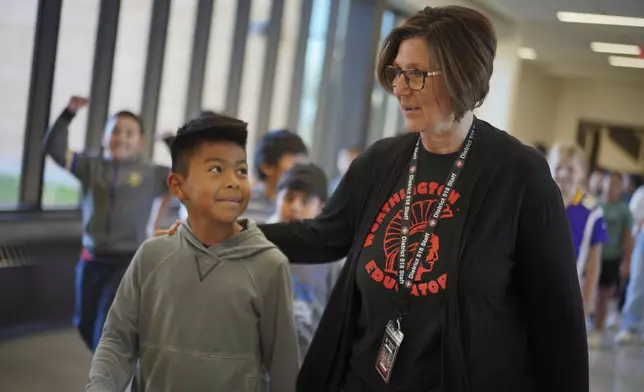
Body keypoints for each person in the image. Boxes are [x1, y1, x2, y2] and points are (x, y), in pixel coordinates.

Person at [159, 6, 588, 391]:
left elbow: (558, 321)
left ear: (462, 75)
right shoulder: (382, 161)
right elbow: (323, 235)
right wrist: (226, 234)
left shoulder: (519, 177)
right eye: (397, 73)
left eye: (416, 74)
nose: (400, 88)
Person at [87, 114, 299, 392]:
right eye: (215, 170)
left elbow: (283, 367)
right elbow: (117, 340)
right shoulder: (152, 256)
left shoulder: (269, 265)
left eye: (241, 170)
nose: (233, 181)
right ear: (178, 186)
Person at [43, 96, 171, 351]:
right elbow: (54, 148)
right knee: (84, 323)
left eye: (129, 133)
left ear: (140, 141)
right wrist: (68, 113)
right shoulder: (90, 166)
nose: (121, 137)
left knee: (105, 326)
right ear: (105, 136)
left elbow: (186, 173)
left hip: (127, 262)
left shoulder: (152, 173)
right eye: (115, 131)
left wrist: (171, 142)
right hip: (91, 259)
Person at [267, 163, 345, 361]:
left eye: (305, 201)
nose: (294, 207)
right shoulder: (254, 243)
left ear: (322, 208)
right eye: (288, 198)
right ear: (276, 198)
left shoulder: (331, 257)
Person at [548, 144, 608, 343]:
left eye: (571, 169)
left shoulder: (591, 211)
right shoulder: (537, 201)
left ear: (582, 173)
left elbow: (594, 261)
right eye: (558, 167)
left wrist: (588, 300)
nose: (563, 173)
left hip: (570, 292)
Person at [591, 172, 633, 343]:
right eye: (609, 183)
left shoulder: (623, 210)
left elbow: (628, 238)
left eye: (616, 184)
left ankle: (598, 329)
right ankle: (585, 322)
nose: (611, 187)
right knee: (587, 291)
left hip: (611, 256)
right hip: (592, 256)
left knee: (603, 294)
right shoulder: (594, 203)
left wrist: (627, 261)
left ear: (621, 188)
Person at [246, 129, 309, 223]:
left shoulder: (305, 208)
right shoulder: (241, 203)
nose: (301, 173)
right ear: (267, 166)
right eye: (295, 165)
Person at [617, 181, 644, 344]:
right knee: (637, 283)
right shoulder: (641, 193)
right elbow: (635, 221)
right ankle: (629, 326)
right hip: (642, 241)